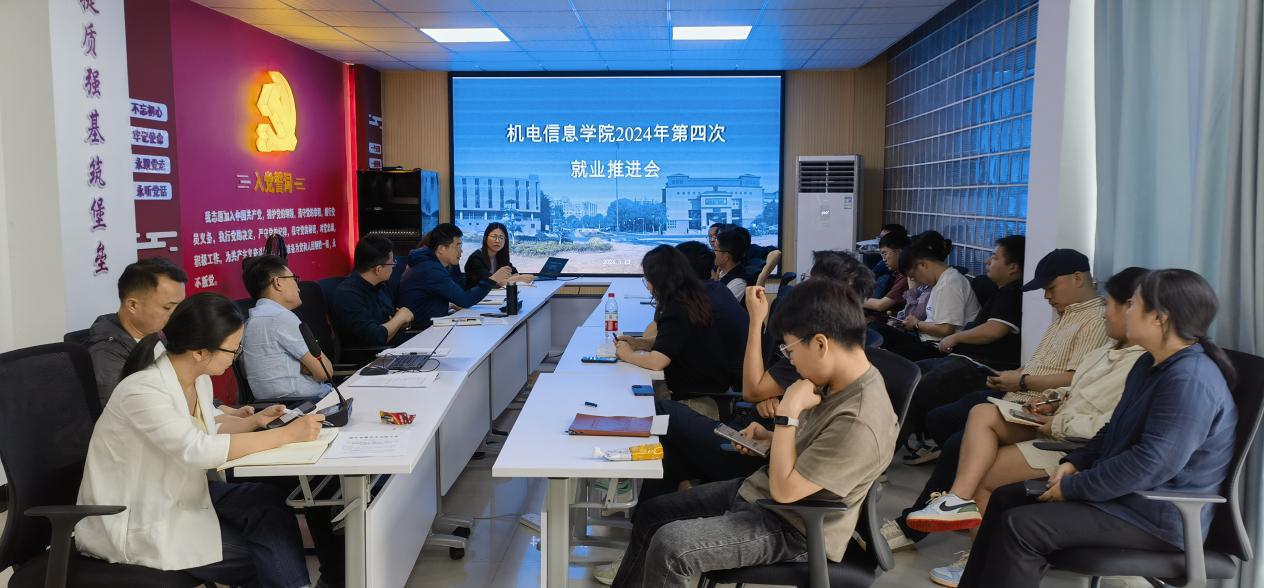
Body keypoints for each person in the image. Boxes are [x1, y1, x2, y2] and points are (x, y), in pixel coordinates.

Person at [601, 279, 899, 587]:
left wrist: (787, 415)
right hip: (763, 493)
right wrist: (772, 439)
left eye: (790, 350)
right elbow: (817, 447)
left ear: (820, 344)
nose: (791, 361)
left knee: (672, 546)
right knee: (653, 513)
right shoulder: (838, 379)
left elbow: (786, 492)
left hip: (796, 527)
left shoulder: (859, 420)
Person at [957, 269, 1237, 588]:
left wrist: (1074, 487)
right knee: (1005, 498)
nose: (1122, 311)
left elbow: (1150, 464)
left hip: (1155, 516)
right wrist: (1074, 462)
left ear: (1159, 318)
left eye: (1134, 304)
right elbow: (1112, 429)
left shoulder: (1189, 381)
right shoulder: (1148, 364)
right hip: (1124, 498)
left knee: (1021, 527)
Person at [899, 268, 1149, 586]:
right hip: (1056, 422)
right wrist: (1052, 401)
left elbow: (1111, 426)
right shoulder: (1107, 350)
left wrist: (1055, 418)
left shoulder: (1141, 364)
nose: (1104, 314)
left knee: (982, 473)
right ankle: (958, 501)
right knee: (981, 413)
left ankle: (982, 562)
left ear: (1134, 309)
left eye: (1109, 306)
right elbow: (1077, 390)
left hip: (1074, 443)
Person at [76, 293, 325, 588]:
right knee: (264, 555)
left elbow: (205, 428)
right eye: (233, 350)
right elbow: (196, 449)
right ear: (199, 352)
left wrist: (254, 422)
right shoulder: (142, 390)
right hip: (137, 517)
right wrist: (284, 435)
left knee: (266, 502)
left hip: (179, 493)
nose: (235, 357)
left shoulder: (197, 379)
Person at [634, 249, 874, 505]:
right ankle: (658, 509)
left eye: (808, 281)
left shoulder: (812, 350)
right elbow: (763, 391)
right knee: (669, 448)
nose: (800, 289)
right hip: (755, 434)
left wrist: (756, 322)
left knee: (664, 414)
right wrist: (770, 396)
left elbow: (754, 390)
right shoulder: (822, 347)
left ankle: (658, 509)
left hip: (753, 454)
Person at [902, 248, 1110, 466]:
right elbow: (1041, 362)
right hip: (1017, 391)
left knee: (956, 436)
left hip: (1037, 404)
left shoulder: (1095, 321)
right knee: (941, 417)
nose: (1047, 296)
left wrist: (1022, 381)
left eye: (1050, 288)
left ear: (1077, 278)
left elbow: (1075, 378)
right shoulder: (1066, 313)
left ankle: (962, 470)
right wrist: (1013, 375)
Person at [614, 246, 734, 418]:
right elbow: (674, 341)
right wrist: (640, 343)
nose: (648, 287)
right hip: (705, 389)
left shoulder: (677, 308)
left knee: (627, 404)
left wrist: (627, 355)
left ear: (661, 280)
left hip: (695, 401)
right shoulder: (692, 297)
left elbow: (657, 362)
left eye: (649, 280)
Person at [239, 255, 332, 402]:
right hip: (310, 402)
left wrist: (301, 365)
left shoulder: (249, 322)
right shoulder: (280, 317)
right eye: (294, 279)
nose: (298, 287)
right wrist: (302, 365)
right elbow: (325, 372)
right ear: (278, 283)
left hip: (274, 407)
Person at [876, 231, 980, 361]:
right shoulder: (940, 281)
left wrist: (917, 324)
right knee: (877, 329)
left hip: (937, 348)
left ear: (923, 265)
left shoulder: (950, 283)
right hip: (925, 340)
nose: (915, 280)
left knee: (884, 355)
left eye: (913, 276)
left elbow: (946, 329)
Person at [399, 223, 511, 326]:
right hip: (423, 332)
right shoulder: (431, 270)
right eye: (458, 246)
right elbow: (465, 300)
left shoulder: (432, 264)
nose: (461, 251)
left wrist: (449, 305)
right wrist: (492, 280)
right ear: (442, 249)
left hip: (433, 323)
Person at [330, 235, 414, 348]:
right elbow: (376, 337)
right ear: (378, 269)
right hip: (372, 356)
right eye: (392, 263)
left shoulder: (380, 285)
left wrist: (400, 322)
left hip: (396, 348)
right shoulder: (348, 295)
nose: (393, 267)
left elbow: (389, 323)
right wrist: (399, 318)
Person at [463, 222, 533, 289]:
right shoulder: (476, 258)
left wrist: (510, 279)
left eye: (501, 237)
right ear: (485, 238)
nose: (497, 241)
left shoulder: (500, 256)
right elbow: (490, 282)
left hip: (496, 295)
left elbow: (514, 273)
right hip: (477, 296)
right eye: (494, 236)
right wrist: (518, 278)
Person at [863, 230, 912, 314]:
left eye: (885, 254)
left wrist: (851, 299)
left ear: (899, 252)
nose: (884, 259)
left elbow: (880, 305)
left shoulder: (906, 276)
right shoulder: (897, 274)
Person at [712, 225, 751, 301]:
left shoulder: (738, 282)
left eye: (715, 249)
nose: (713, 253)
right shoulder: (720, 272)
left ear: (726, 256)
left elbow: (720, 306)